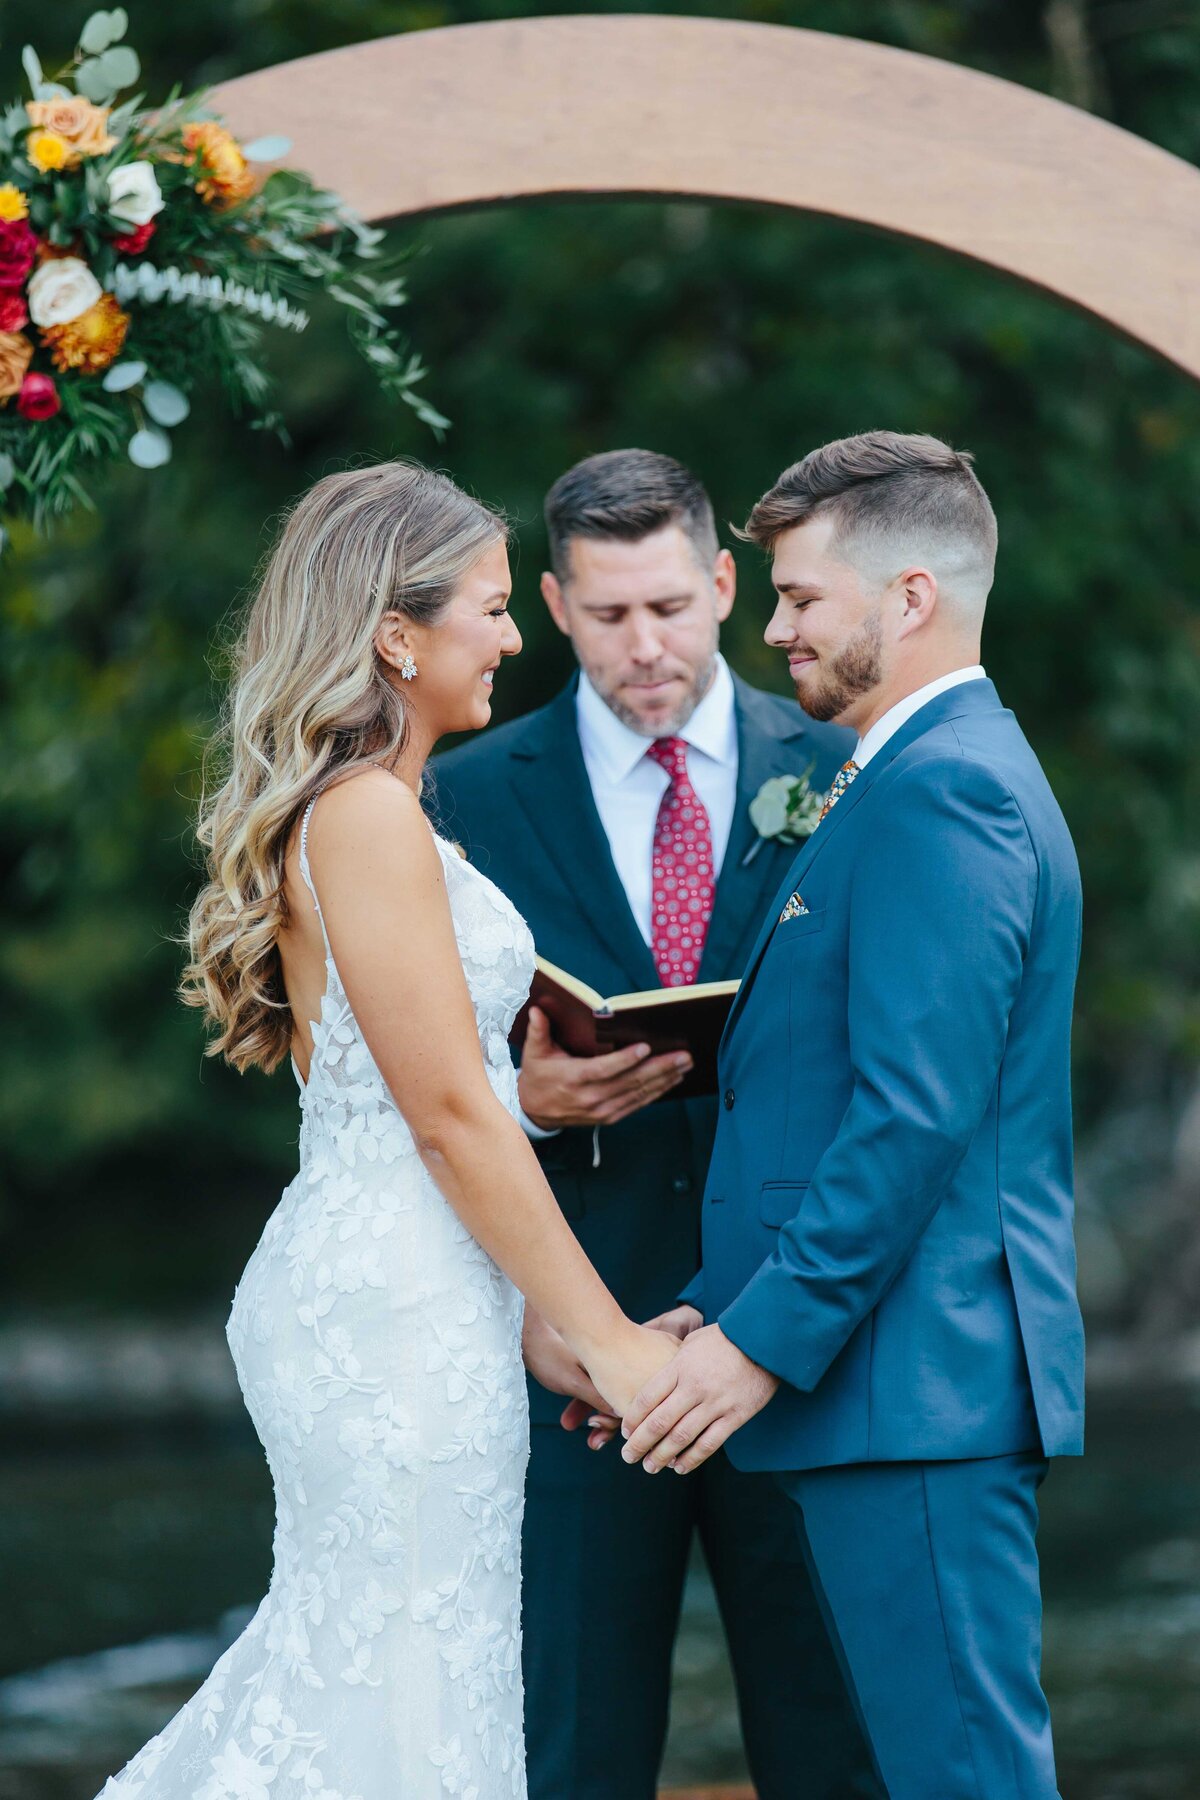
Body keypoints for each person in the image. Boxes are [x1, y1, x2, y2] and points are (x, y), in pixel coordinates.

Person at [95, 461, 675, 1800]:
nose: (517, 636)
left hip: (423, 1289)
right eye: (489, 606)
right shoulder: (362, 815)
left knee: (401, 1672)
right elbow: (448, 1122)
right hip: (392, 1312)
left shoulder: (385, 813)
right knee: (393, 1685)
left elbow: (438, 1091)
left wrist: (530, 1309)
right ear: (396, 636)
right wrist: (612, 1341)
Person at [621, 432, 1086, 1799]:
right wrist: (713, 1309)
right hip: (887, 1386)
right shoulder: (911, 775)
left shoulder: (947, 788)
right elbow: (829, 1100)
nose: (771, 630)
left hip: (917, 1391)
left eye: (802, 598)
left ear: (912, 598)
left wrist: (753, 1347)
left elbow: (912, 1117)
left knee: (967, 1781)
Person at [434, 450, 879, 1800]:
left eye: (674, 609)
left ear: (726, 586)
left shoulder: (847, 769)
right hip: (570, 1358)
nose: (649, 646)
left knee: (832, 1746)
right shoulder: (464, 795)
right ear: (556, 606)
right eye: (613, 614)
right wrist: (528, 1099)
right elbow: (408, 1082)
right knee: (568, 1747)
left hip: (796, 1347)